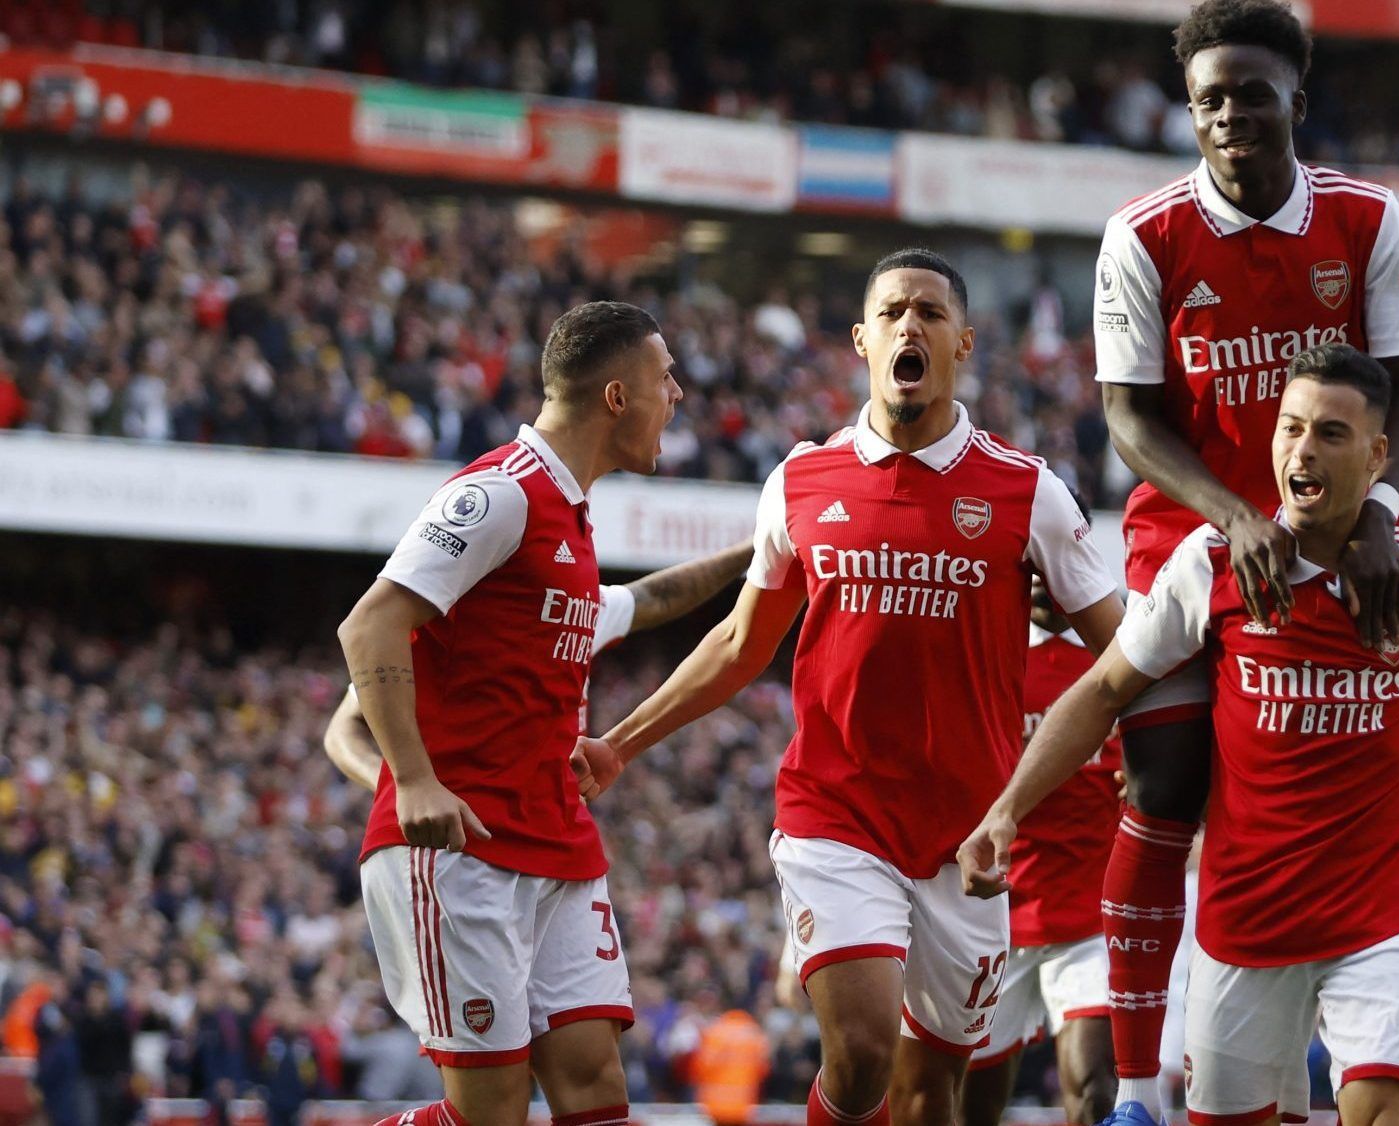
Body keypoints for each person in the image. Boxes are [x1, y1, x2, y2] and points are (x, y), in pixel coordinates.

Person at [1090, 6, 1399, 1123]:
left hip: (1348, 530)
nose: (1232, 114)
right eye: (1210, 97)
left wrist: (1384, 506)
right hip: (1196, 540)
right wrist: (1228, 515)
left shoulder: (1366, 217)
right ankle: (1140, 1091)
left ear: (1296, 97)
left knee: (1396, 773)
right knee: (1164, 783)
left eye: (1253, 91)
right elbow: (1129, 420)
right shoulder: (1141, 235)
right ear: (1188, 110)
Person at [571, 250, 1124, 1126]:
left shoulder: (1030, 494)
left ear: (965, 343)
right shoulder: (801, 480)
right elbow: (739, 642)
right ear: (863, 340)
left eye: (932, 315)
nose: (912, 326)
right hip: (837, 817)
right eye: (894, 312)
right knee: (863, 1055)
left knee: (925, 1092)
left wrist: (1159, 746)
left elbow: (1123, 650)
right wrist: (620, 740)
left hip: (968, 840)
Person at [961, 344, 1399, 1126]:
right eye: (1290, 429)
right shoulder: (1208, 565)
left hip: (1386, 920)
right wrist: (1006, 810)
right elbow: (1103, 689)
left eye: (1330, 434)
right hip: (1244, 927)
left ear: (1379, 456)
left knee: (1385, 1107)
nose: (1302, 450)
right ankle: (1142, 1098)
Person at [335, 300, 679, 1126]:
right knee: (489, 1114)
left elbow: (654, 598)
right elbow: (370, 623)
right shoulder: (500, 496)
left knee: (596, 1089)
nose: (680, 396)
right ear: (619, 398)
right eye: (667, 379)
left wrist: (770, 549)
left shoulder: (571, 519)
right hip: (465, 846)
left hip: (557, 839)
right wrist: (412, 779)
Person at [325, 545, 753, 790]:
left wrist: (755, 547)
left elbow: (657, 596)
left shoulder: (574, 608)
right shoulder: (457, 629)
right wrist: (407, 786)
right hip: (471, 838)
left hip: (556, 833)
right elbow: (344, 727)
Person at [962, 578, 1121, 1126]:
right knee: (971, 1109)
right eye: (1024, 565)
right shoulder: (982, 657)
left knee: (1094, 1086)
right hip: (993, 916)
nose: (1033, 580)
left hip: (1089, 918)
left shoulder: (1123, 658)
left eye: (1044, 564)